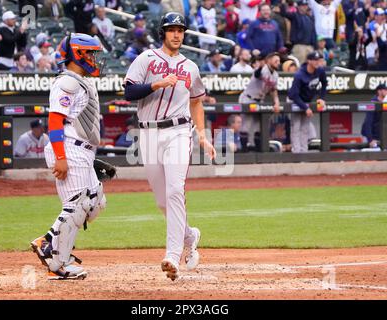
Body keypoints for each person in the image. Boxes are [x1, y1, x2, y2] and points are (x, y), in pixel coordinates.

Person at [123, 12, 216, 281]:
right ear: (162, 32)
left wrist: (201, 134)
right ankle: (190, 235)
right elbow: (129, 92)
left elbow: (197, 101)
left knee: (176, 190)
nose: (176, 34)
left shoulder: (191, 67)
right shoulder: (147, 58)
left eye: (180, 30)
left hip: (178, 131)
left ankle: (172, 255)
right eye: (171, 29)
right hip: (148, 134)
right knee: (162, 200)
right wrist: (157, 83)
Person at [30, 33, 106, 280]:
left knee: (95, 202)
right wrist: (61, 157)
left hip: (81, 151)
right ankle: (53, 252)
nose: (95, 58)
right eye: (91, 53)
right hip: (68, 148)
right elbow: (54, 121)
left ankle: (56, 248)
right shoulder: (67, 83)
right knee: (76, 205)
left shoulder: (79, 81)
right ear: (78, 54)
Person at [238, 52, 281, 147]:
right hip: (248, 98)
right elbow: (257, 74)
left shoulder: (275, 75)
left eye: (279, 61)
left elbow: (273, 90)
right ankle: (244, 152)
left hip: (260, 100)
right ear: (269, 61)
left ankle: (258, 151)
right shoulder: (261, 69)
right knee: (246, 126)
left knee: (258, 127)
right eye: (276, 61)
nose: (278, 63)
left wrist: (276, 102)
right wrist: (261, 66)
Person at [288, 51, 327, 153]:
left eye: (318, 60)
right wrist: (305, 108)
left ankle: (304, 153)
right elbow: (294, 95)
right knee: (296, 127)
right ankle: (296, 153)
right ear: (309, 61)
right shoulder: (299, 75)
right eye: (315, 60)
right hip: (294, 100)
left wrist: (321, 98)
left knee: (305, 128)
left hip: (306, 100)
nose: (317, 62)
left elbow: (324, 83)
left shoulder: (320, 71)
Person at [280, 0, 316, 64]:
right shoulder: (295, 15)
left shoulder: (310, 18)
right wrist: (283, 4)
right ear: (298, 7)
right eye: (303, 6)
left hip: (309, 46)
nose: (305, 7)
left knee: (310, 66)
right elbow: (284, 13)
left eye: (306, 6)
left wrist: (314, 45)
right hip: (299, 45)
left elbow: (313, 32)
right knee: (299, 65)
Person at [361, 83, 387, 148]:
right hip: (371, 137)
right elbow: (368, 122)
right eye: (385, 89)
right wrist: (370, 139)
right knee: (370, 156)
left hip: (382, 136)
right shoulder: (372, 103)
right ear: (379, 91)